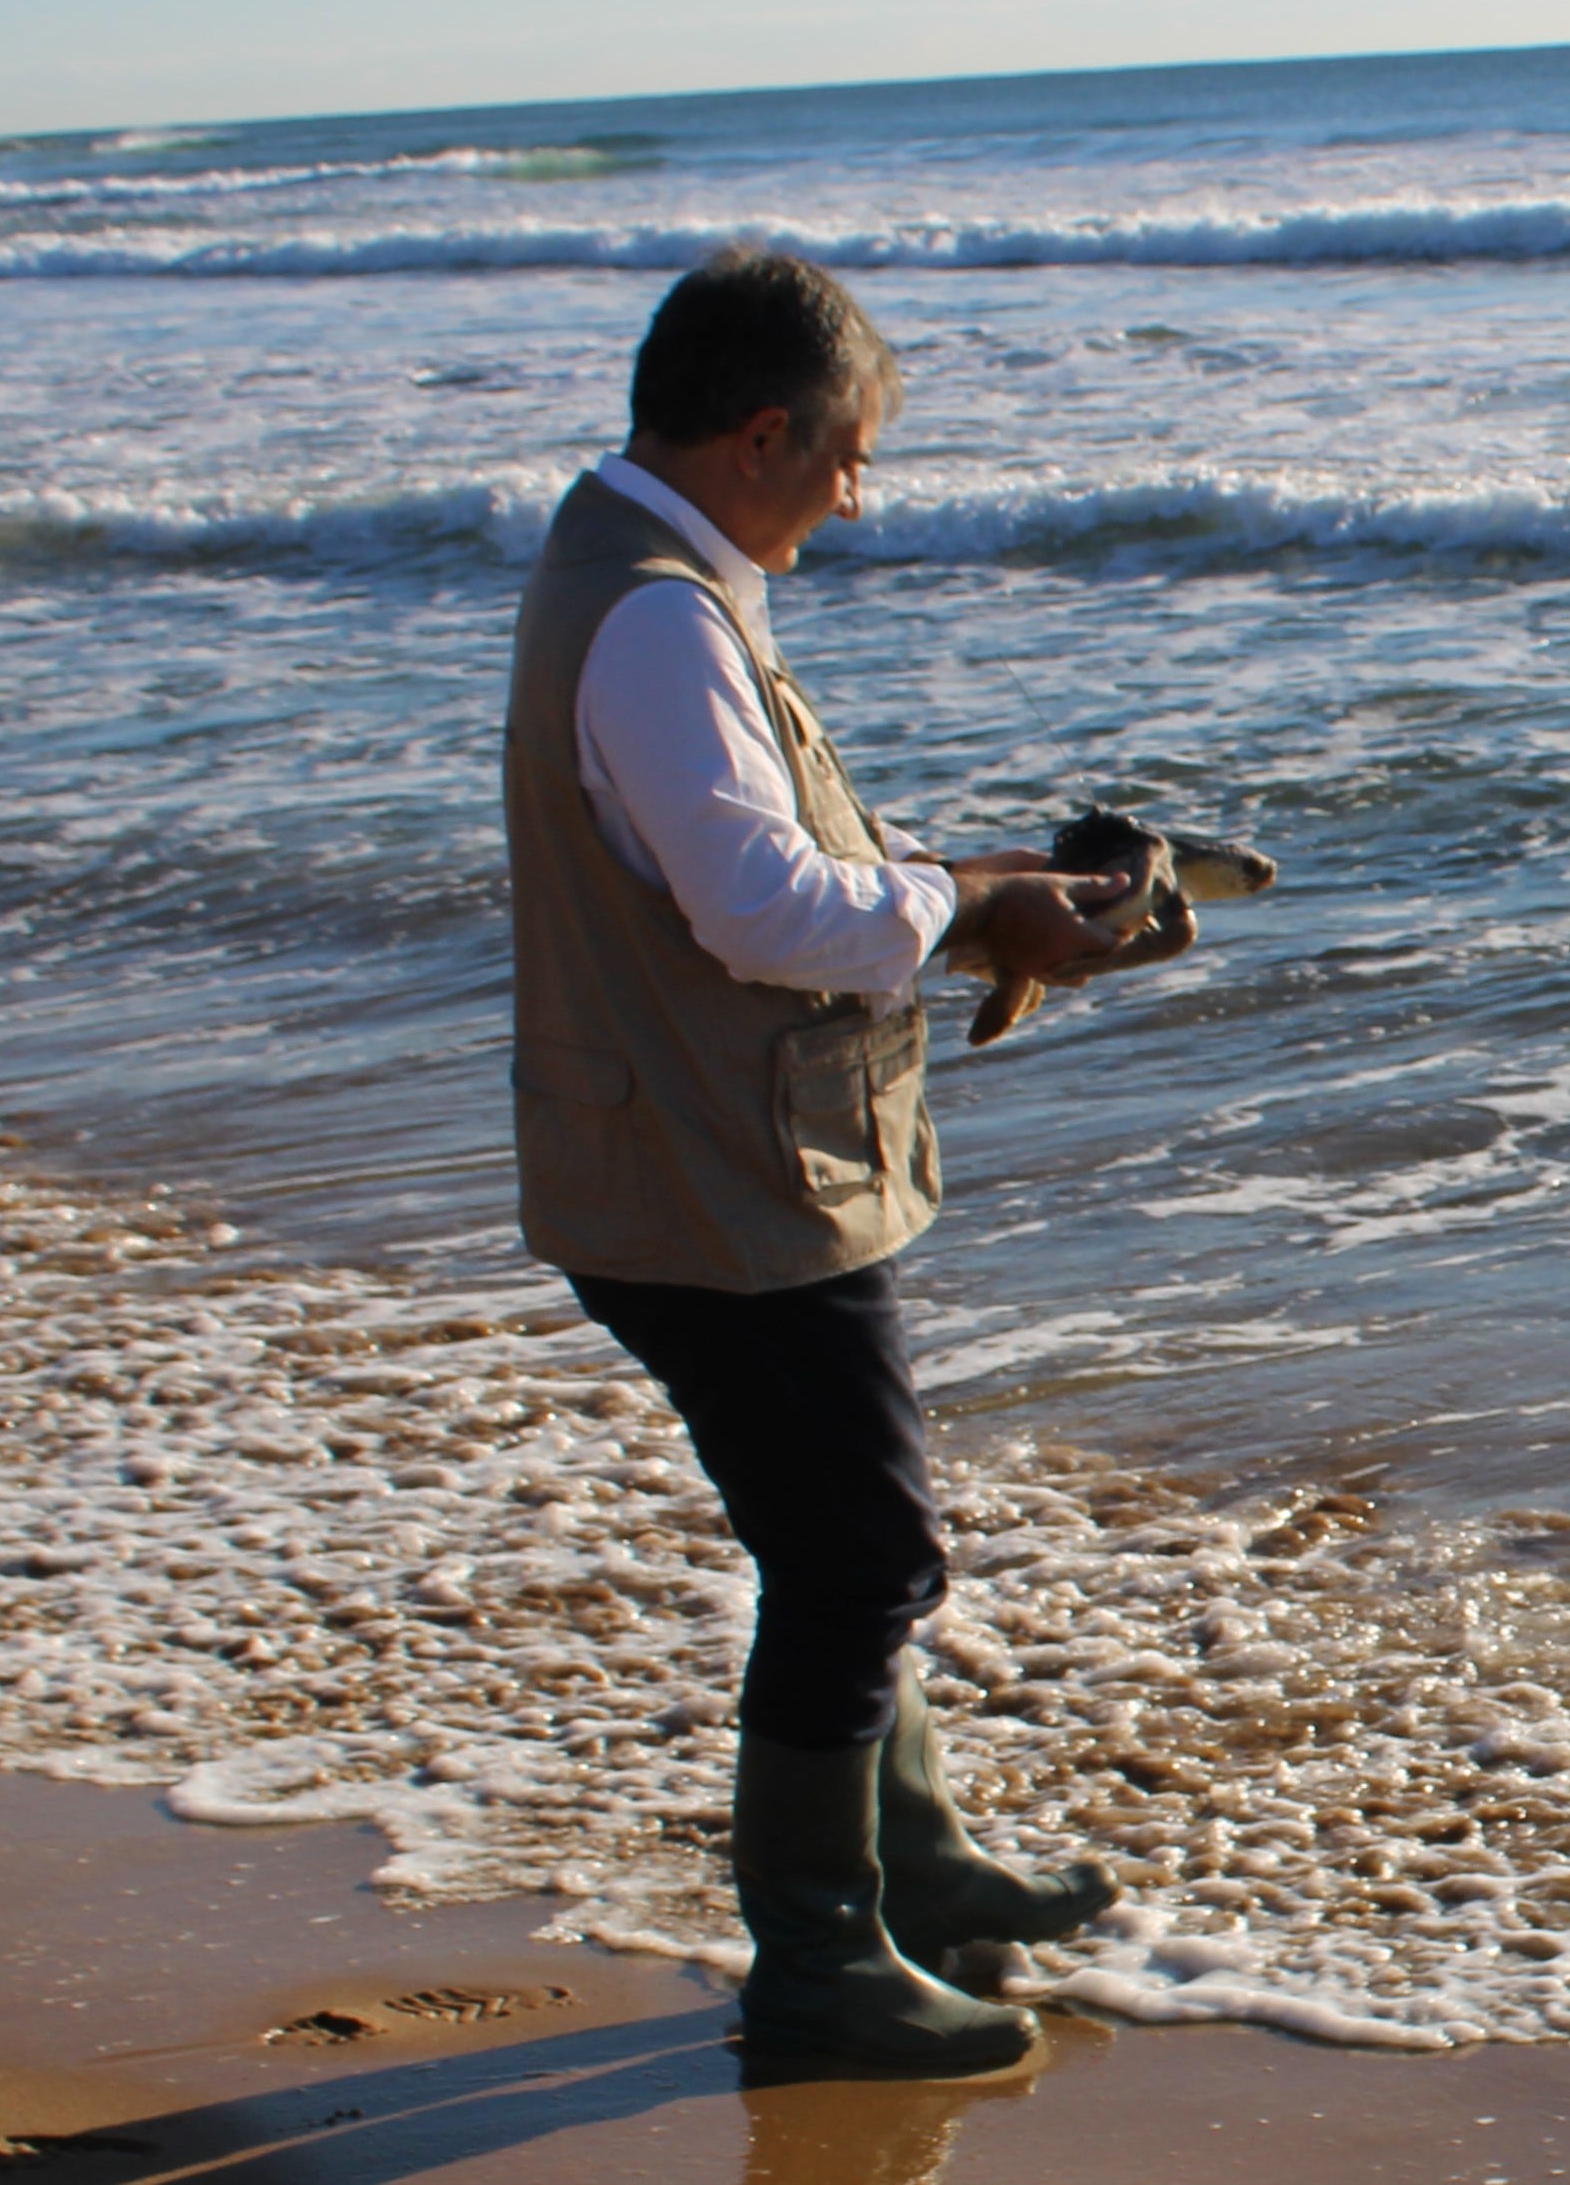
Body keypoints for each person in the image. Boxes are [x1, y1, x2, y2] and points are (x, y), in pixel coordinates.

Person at [503, 247, 1136, 2072]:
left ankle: (915, 1868)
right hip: (718, 1187)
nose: (856, 495)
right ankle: (820, 1961)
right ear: (767, 428)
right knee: (859, 1558)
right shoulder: (655, 620)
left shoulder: (638, 583)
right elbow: (761, 904)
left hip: (684, 1164)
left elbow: (757, 853)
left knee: (840, 1539)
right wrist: (966, 906)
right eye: (850, 456)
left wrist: (981, 880)